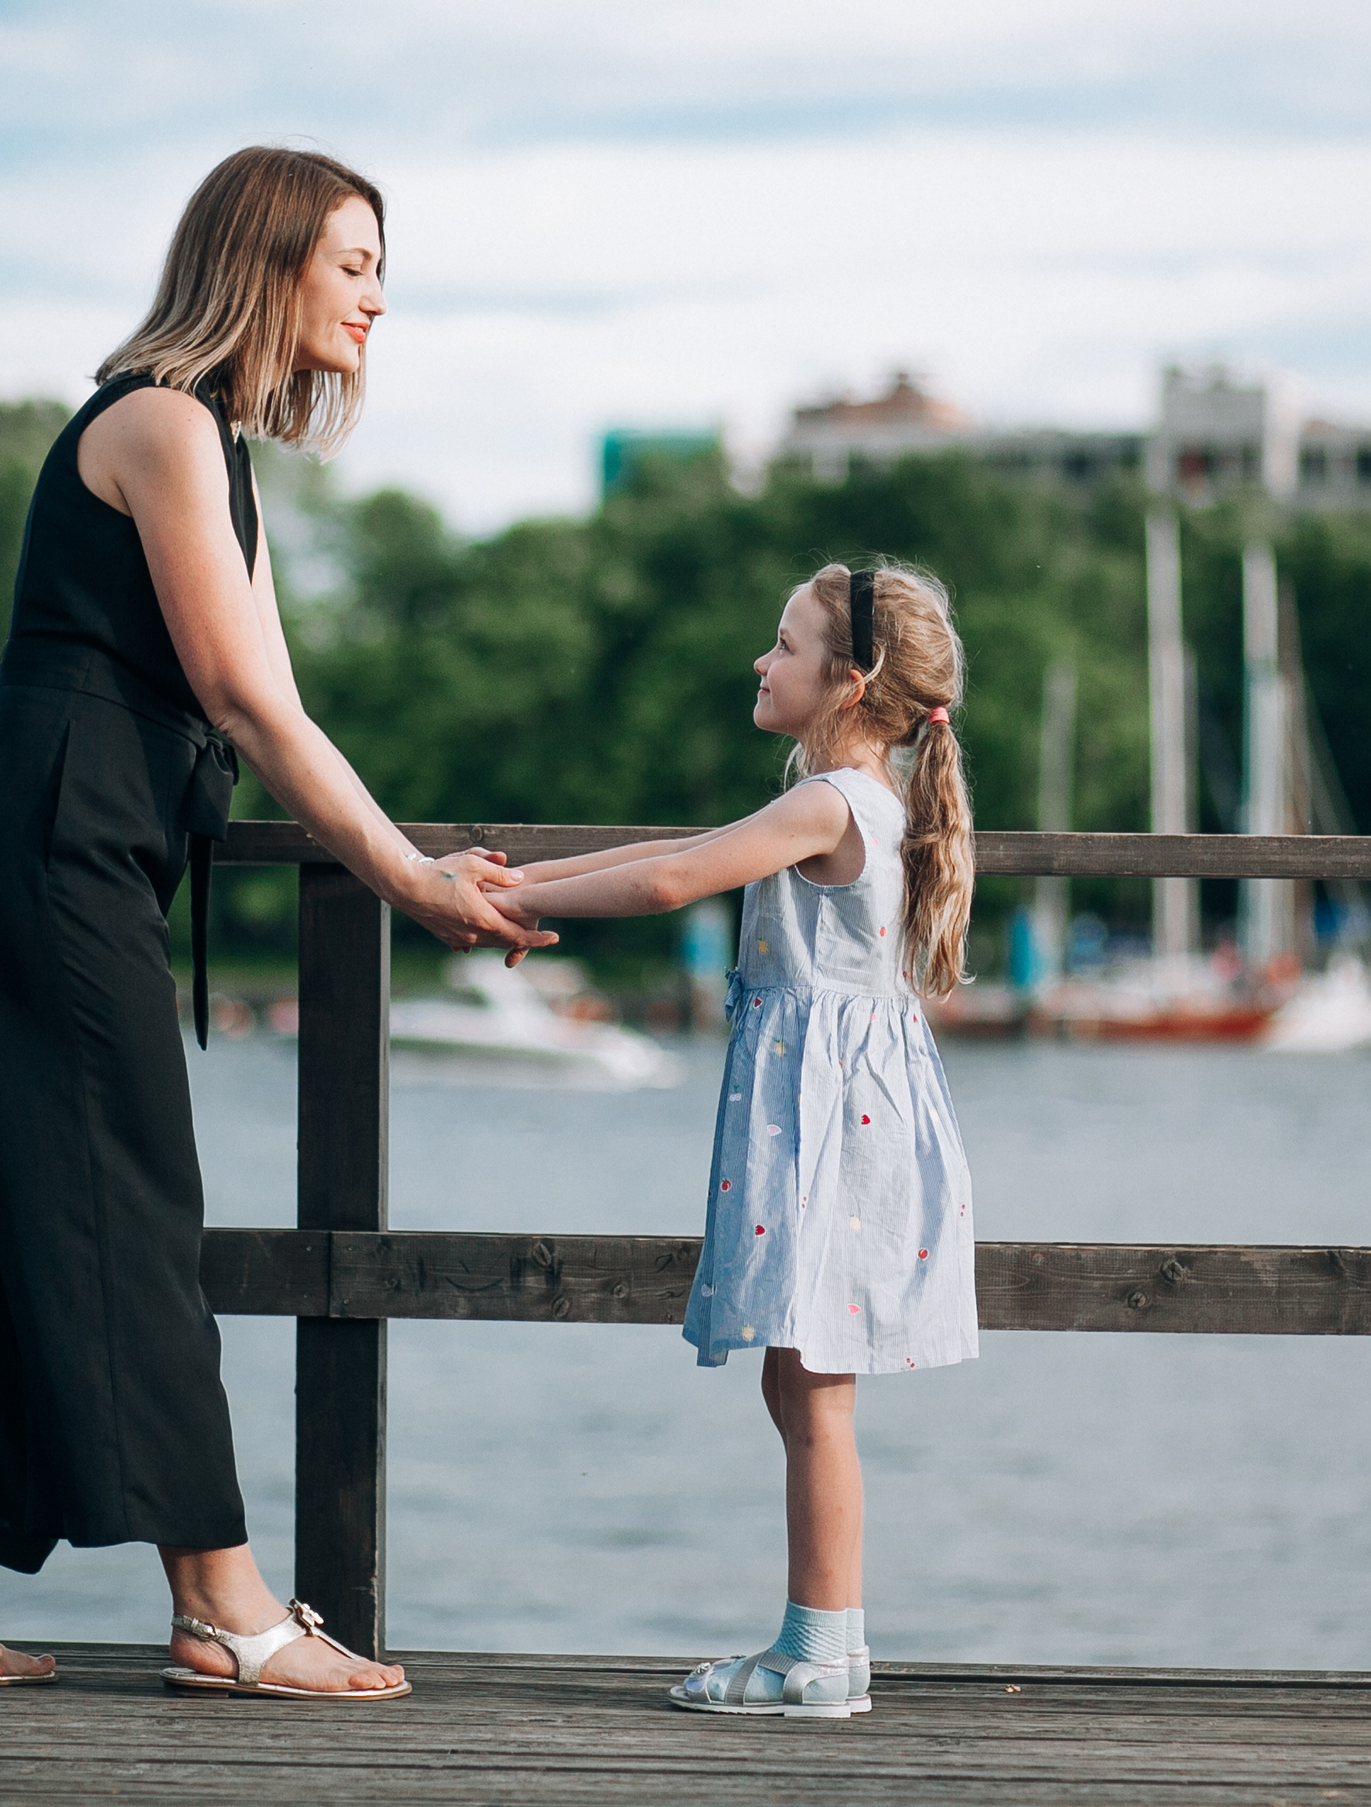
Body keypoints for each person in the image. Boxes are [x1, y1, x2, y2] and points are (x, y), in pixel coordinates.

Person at [0, 146, 552, 1700]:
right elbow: (237, 695)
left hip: (45, 841)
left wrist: (404, 852)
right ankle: (224, 1601)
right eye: (350, 264)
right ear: (267, 261)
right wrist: (406, 873)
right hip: (44, 840)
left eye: (377, 268)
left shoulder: (213, 450)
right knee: (128, 1209)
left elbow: (274, 695)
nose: (375, 297)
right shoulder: (154, 420)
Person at [488, 561, 979, 1719]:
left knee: (812, 1397)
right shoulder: (857, 797)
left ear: (848, 680)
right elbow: (670, 857)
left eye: (785, 643)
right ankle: (832, 1643)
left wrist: (502, 898)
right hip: (840, 1118)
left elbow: (666, 879)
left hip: (828, 1129)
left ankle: (814, 1657)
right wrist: (518, 886)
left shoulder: (831, 802)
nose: (762, 662)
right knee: (801, 1386)